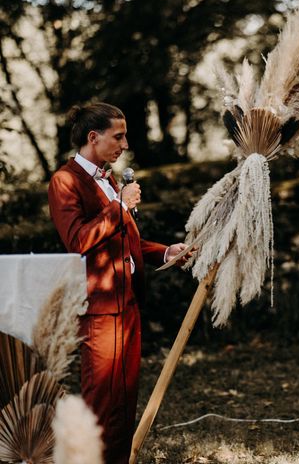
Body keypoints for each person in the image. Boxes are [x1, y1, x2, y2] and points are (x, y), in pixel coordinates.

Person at [48, 102, 190, 463]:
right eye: (119, 136)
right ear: (93, 137)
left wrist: (165, 252)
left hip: (127, 306)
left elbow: (126, 241)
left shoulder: (109, 179)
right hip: (99, 310)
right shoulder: (65, 180)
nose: (125, 144)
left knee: (125, 403)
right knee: (102, 404)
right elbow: (79, 240)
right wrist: (120, 206)